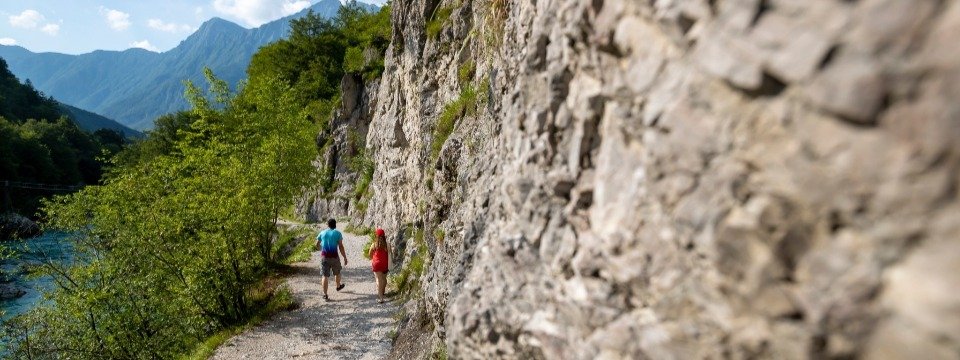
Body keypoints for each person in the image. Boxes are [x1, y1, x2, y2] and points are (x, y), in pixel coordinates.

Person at [316, 218, 347, 301]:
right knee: (337, 273)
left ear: (327, 225)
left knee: (324, 276)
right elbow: (341, 246)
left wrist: (321, 249)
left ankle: (325, 294)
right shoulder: (338, 233)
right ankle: (338, 286)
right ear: (335, 224)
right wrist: (344, 257)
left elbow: (317, 244)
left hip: (324, 257)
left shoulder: (322, 233)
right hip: (334, 257)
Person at [369, 228, 390, 303]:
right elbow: (390, 254)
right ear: (384, 235)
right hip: (385, 264)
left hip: (376, 264)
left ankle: (380, 297)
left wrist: (373, 258)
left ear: (376, 236)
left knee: (378, 279)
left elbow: (370, 254)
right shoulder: (387, 244)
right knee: (384, 278)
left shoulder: (374, 244)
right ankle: (383, 292)